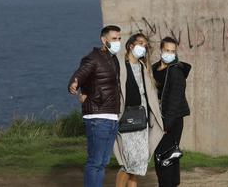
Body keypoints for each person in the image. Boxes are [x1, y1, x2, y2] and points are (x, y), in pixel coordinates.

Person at [69, 25, 123, 187]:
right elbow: (80, 74)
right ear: (103, 40)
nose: (118, 42)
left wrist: (86, 89)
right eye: (114, 39)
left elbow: (96, 82)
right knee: (95, 162)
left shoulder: (113, 59)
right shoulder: (93, 58)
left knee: (103, 162)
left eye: (119, 39)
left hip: (111, 116)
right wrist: (74, 83)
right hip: (97, 116)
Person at [114, 33, 165, 187]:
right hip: (126, 118)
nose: (143, 47)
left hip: (142, 120)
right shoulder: (120, 65)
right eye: (140, 43)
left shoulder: (143, 67)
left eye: (145, 45)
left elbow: (149, 94)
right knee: (128, 163)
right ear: (131, 45)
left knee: (138, 165)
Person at [152, 36, 192, 187]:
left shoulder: (176, 71)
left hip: (171, 121)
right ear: (161, 50)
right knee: (169, 156)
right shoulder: (155, 69)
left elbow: (175, 101)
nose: (169, 53)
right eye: (167, 50)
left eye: (173, 51)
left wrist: (166, 126)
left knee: (163, 158)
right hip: (159, 119)